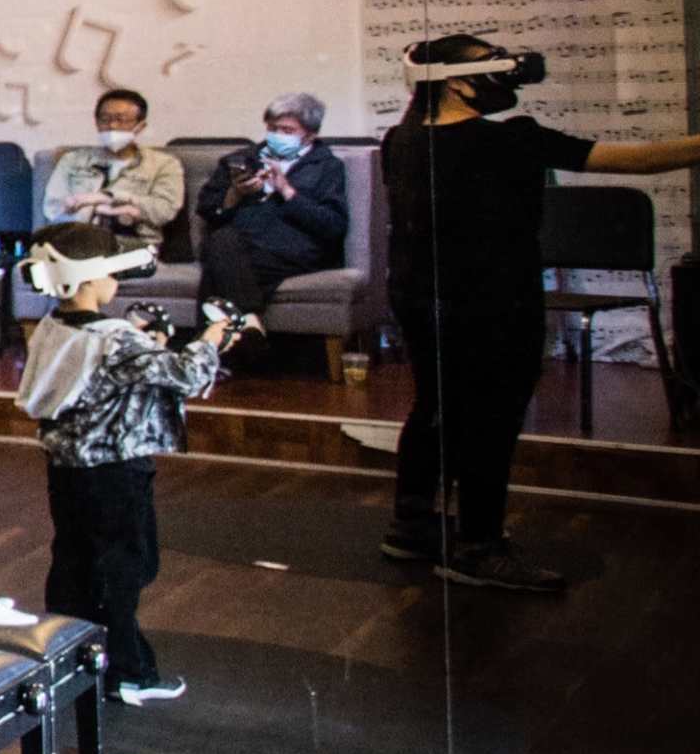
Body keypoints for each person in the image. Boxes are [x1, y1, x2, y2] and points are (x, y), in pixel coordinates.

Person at [382, 34, 700, 593]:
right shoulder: (511, 142)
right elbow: (640, 160)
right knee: (491, 424)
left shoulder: (399, 141)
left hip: (418, 298)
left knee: (435, 406)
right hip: (496, 302)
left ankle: (411, 527)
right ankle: (479, 547)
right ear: (455, 81)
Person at [15, 223, 239, 706]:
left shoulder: (53, 328)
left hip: (68, 468)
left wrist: (142, 341)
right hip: (117, 472)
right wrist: (214, 337)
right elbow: (185, 373)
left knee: (74, 564)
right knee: (126, 568)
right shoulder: (116, 338)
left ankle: (69, 659)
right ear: (93, 279)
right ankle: (126, 672)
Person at [194, 92, 348, 320]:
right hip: (240, 244)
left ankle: (229, 336)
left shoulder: (327, 167)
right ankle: (250, 329)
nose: (277, 136)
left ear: (310, 135)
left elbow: (333, 226)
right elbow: (207, 210)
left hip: (294, 251)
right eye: (273, 128)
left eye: (287, 131)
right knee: (223, 243)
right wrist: (235, 194)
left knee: (218, 263)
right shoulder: (240, 160)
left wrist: (287, 191)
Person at [42, 88, 182, 249]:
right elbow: (52, 209)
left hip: (134, 244)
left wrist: (109, 197)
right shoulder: (73, 160)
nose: (112, 126)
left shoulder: (163, 164)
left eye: (121, 120)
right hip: (78, 240)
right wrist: (102, 211)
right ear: (96, 122)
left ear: (140, 126)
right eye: (105, 119)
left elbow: (164, 211)